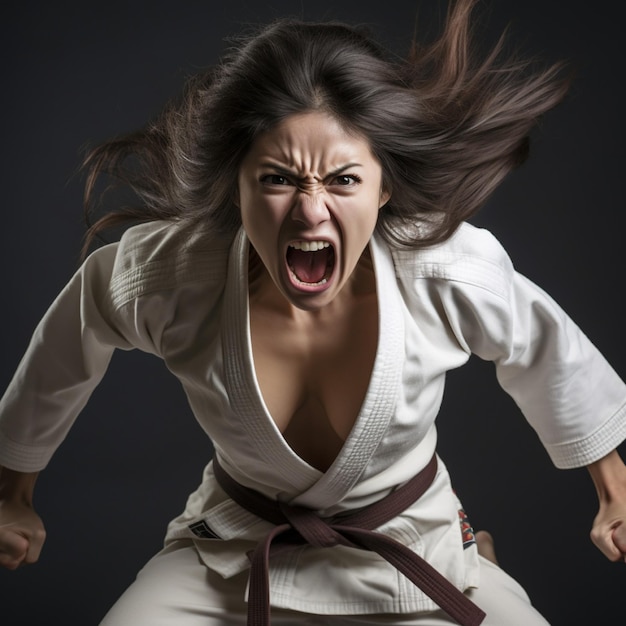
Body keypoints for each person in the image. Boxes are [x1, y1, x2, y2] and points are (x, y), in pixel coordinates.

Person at [1, 0, 625, 624]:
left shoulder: (444, 269)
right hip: (233, 554)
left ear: (385, 189)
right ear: (236, 185)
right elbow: (72, 336)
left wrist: (614, 490)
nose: (310, 210)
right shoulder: (176, 274)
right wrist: (12, 492)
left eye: (344, 180)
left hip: (416, 545)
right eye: (277, 179)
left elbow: (547, 351)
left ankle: (477, 560)